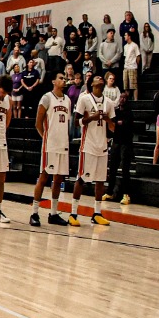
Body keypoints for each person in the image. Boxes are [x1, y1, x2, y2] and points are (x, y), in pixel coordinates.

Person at [31, 71, 73, 226]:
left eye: (64, 78)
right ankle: (34, 213)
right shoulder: (47, 98)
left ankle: (53, 213)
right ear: (53, 81)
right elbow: (38, 123)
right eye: (61, 78)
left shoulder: (68, 100)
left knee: (58, 179)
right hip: (50, 145)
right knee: (43, 177)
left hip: (63, 145)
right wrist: (46, 138)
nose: (64, 80)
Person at [71, 79, 113, 226]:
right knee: (81, 178)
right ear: (92, 84)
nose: (100, 79)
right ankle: (73, 213)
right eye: (97, 78)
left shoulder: (109, 102)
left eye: (101, 78)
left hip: (102, 146)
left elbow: (113, 128)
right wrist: (91, 118)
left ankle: (97, 213)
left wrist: (108, 120)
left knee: (100, 180)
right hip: (87, 145)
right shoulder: (84, 99)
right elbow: (76, 122)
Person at [122, 34, 141, 100]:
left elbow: (138, 56)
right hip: (126, 67)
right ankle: (127, 101)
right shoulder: (125, 46)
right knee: (126, 86)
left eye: (125, 35)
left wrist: (135, 64)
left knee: (134, 85)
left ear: (129, 36)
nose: (124, 36)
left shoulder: (134, 45)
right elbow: (125, 56)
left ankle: (135, 100)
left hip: (132, 67)